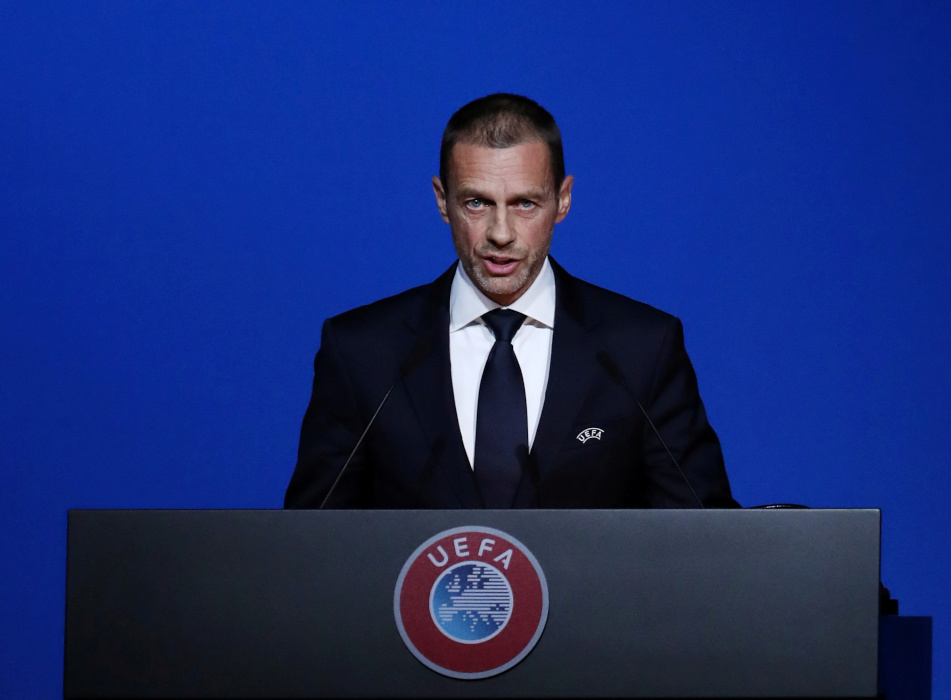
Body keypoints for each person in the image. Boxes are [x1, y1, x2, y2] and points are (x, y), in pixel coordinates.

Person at [284, 93, 737, 510]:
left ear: (563, 199)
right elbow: (309, 547)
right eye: (477, 203)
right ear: (442, 201)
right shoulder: (363, 352)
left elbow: (706, 538)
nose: (501, 233)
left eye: (524, 204)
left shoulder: (641, 349)